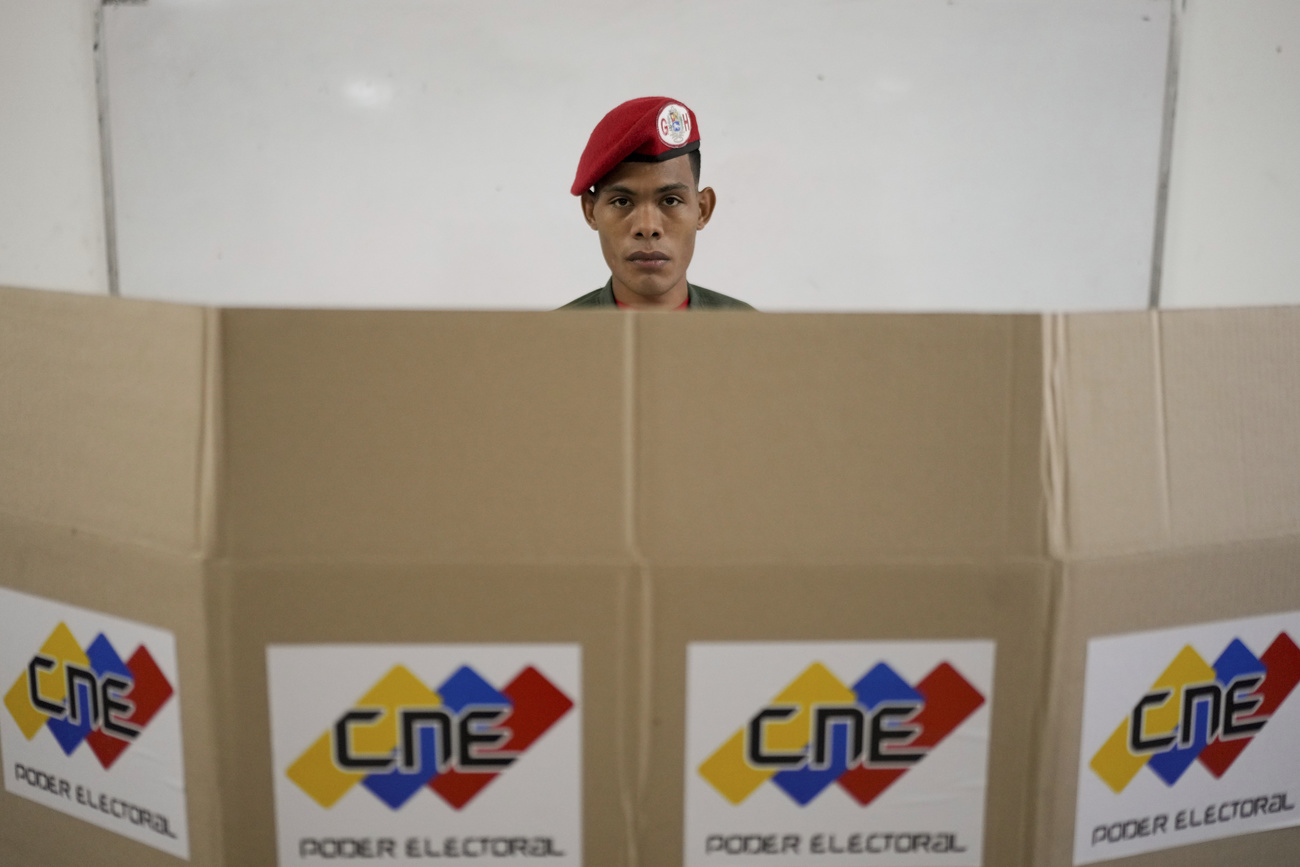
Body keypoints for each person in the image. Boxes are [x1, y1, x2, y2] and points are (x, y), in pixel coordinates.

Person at [561, 97, 754, 310]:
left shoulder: (754, 335)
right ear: (590, 211)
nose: (647, 227)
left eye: (670, 201)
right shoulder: (551, 339)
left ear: (702, 209)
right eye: (622, 202)